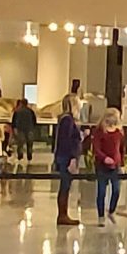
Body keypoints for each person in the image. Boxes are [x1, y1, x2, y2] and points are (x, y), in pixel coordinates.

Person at [52, 97, 85, 227]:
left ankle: (63, 214)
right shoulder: (67, 120)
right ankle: (62, 215)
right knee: (65, 187)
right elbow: (66, 141)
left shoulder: (66, 119)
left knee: (65, 187)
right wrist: (72, 158)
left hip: (65, 156)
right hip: (66, 157)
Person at [92, 107, 125, 221]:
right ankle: (101, 216)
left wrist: (122, 164)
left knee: (116, 190)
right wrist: (104, 158)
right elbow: (96, 149)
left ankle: (111, 211)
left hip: (116, 166)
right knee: (101, 191)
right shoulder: (99, 132)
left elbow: (121, 149)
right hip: (102, 166)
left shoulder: (119, 133)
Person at [9, 96, 37, 168]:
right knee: (29, 144)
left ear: (21, 103)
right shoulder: (31, 111)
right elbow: (34, 121)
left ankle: (20, 157)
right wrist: (33, 128)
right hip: (29, 129)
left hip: (20, 130)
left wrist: (14, 129)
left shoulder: (17, 111)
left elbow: (14, 122)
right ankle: (29, 157)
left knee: (20, 144)